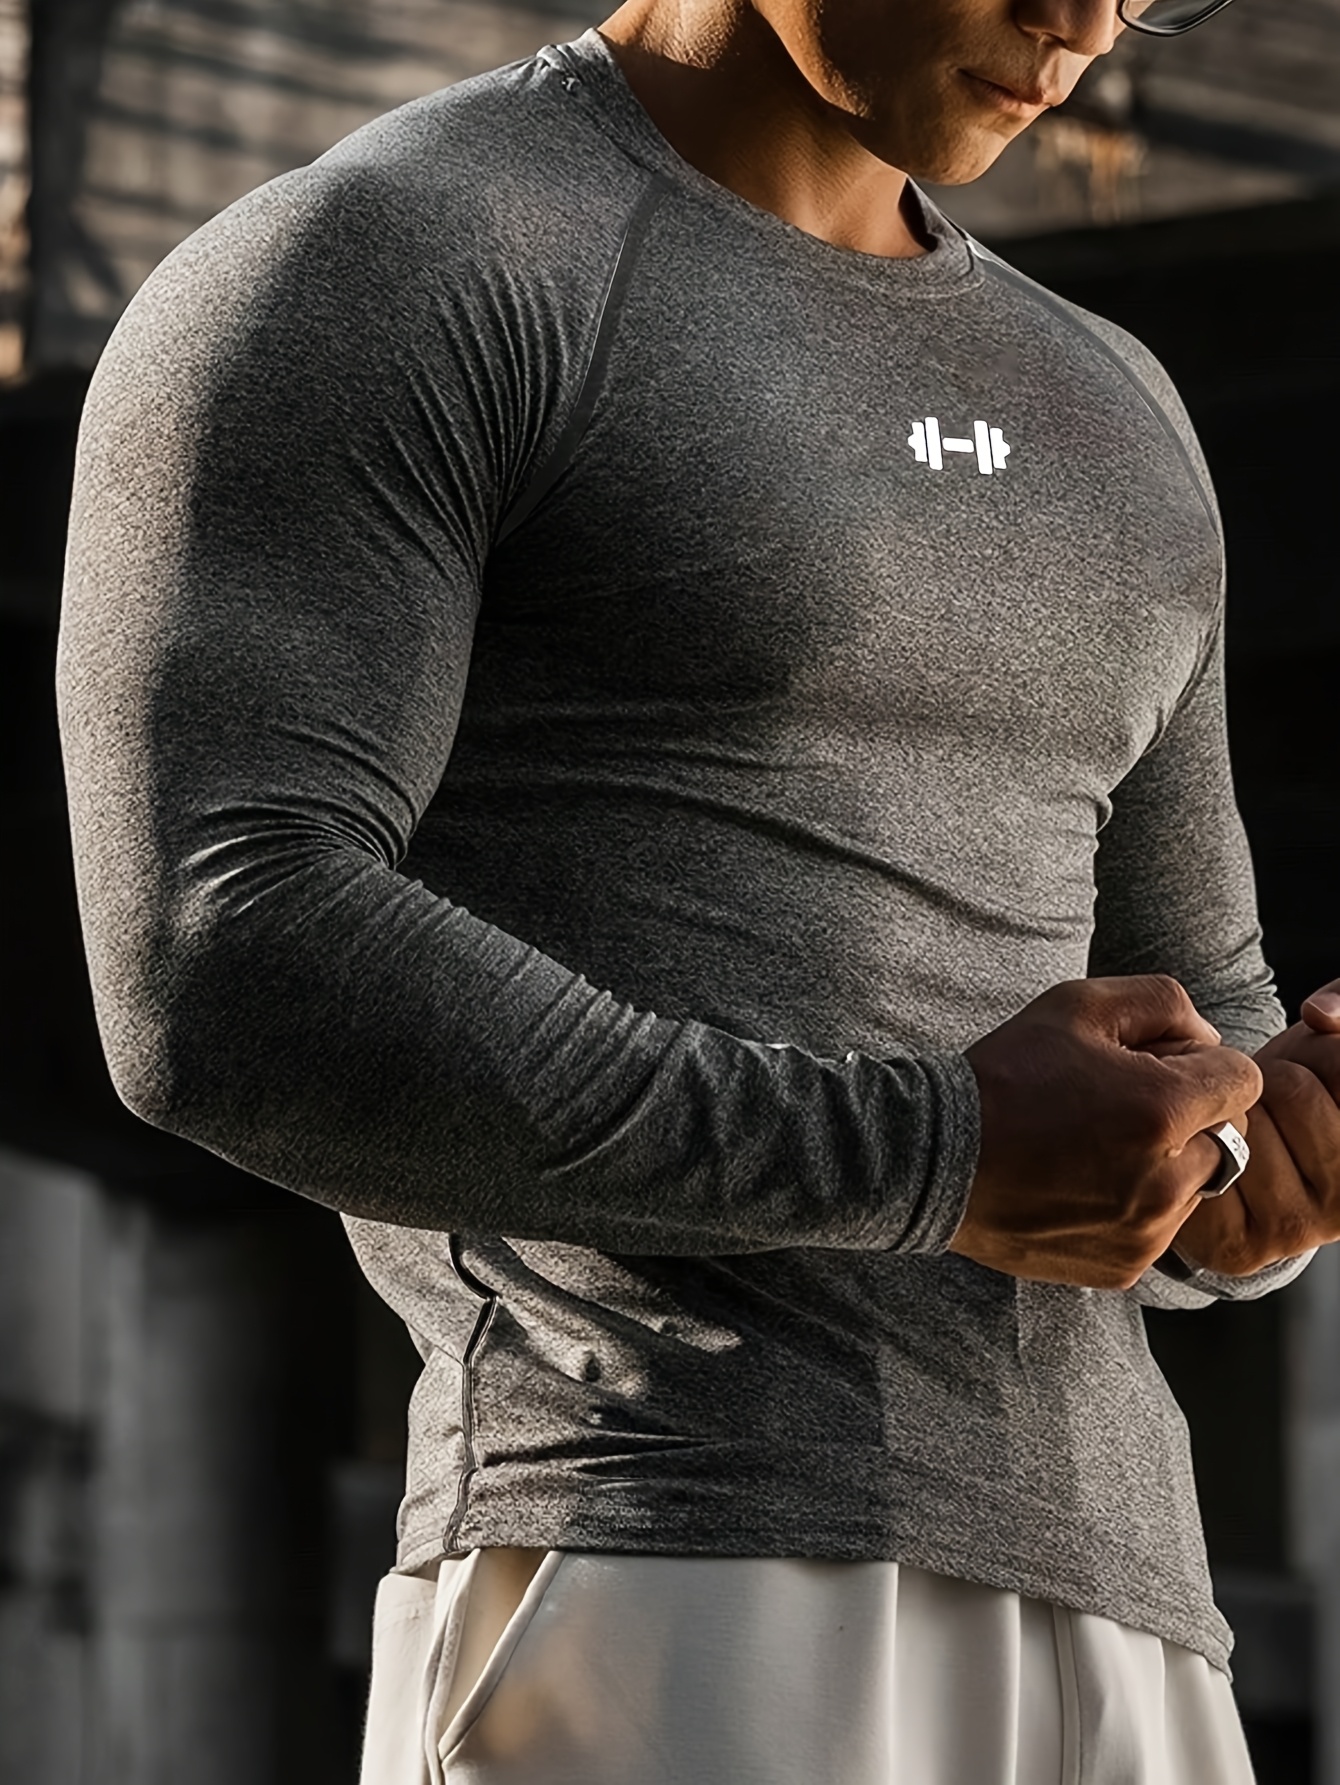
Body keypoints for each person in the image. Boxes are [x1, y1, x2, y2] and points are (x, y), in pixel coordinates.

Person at [53, 0, 1340, 1777]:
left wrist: (1257, 1162)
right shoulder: (396, 257)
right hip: (658, 1559)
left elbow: (1204, 1008)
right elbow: (220, 955)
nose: (1085, 22)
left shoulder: (1120, 405)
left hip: (1131, 1616)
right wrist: (938, 1153)